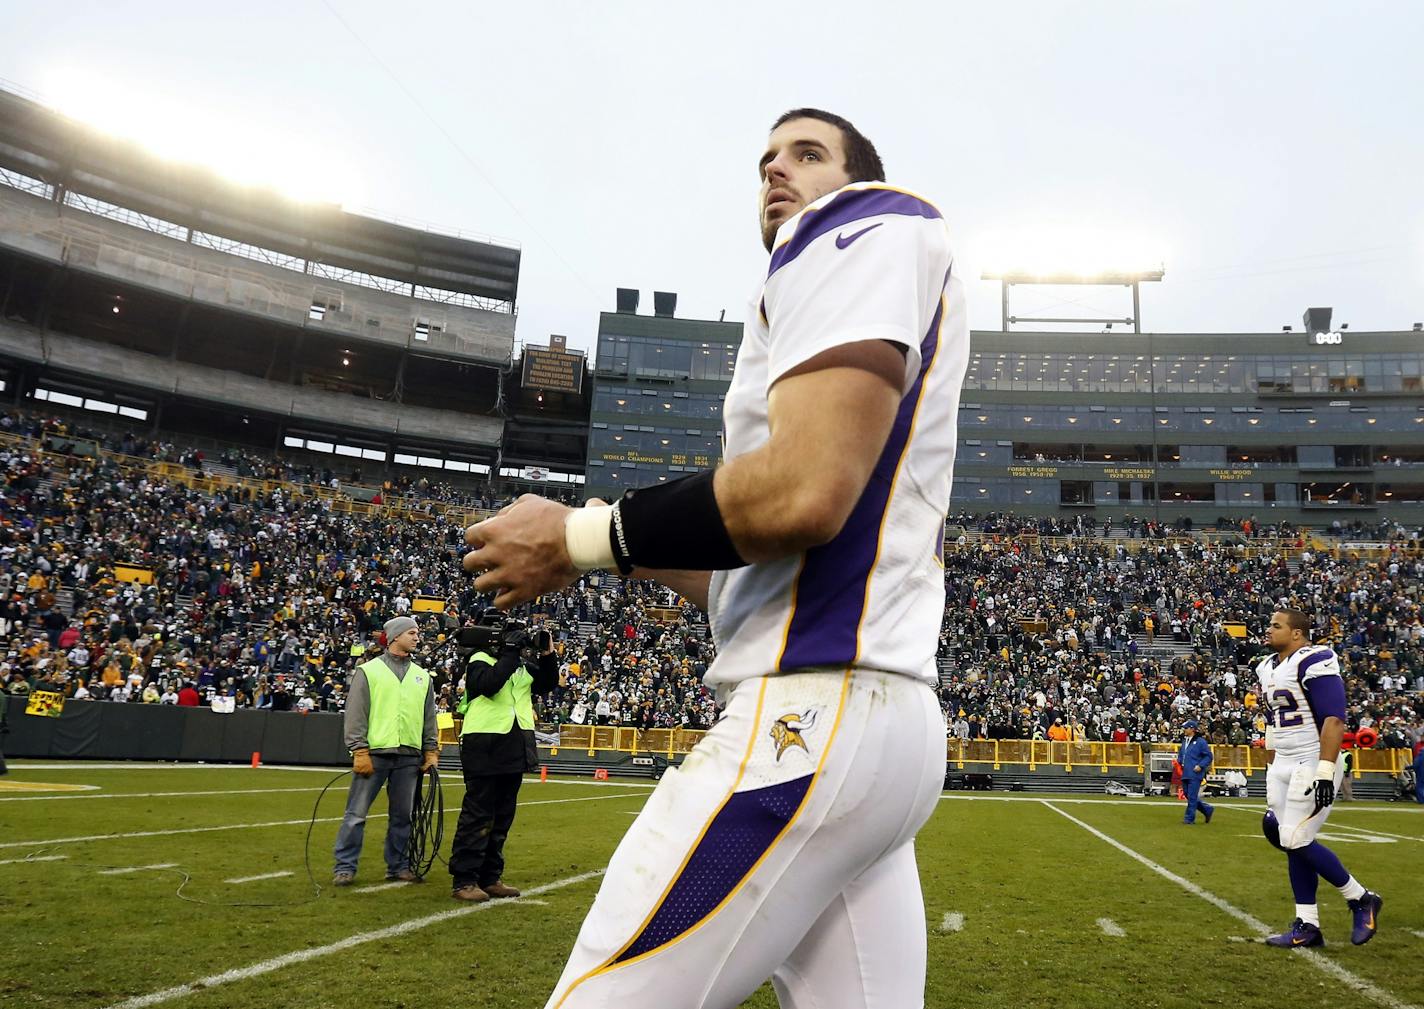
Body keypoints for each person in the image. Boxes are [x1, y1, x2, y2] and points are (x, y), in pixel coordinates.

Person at [463, 107, 966, 1008]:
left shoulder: (851, 227)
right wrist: (599, 551)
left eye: (807, 154)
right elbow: (756, 571)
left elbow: (803, 491)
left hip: (815, 715)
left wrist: (584, 534)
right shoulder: (853, 275)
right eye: (767, 159)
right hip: (881, 725)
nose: (777, 171)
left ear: (851, 179)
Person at [1256, 609, 1382, 947]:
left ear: (1297, 633)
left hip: (1311, 758)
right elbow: (1272, 721)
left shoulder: (1315, 659)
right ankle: (1308, 925)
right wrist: (1271, 762)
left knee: (1296, 838)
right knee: (1285, 836)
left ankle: (1360, 898)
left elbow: (1334, 719)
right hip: (1283, 760)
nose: (1269, 630)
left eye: (1276, 625)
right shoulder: (1266, 667)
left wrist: (1325, 770)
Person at [448, 612, 559, 902]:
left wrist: (547, 654)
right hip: (484, 743)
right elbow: (487, 685)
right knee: (478, 813)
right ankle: (465, 878)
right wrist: (510, 652)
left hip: (513, 743)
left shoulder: (519, 665)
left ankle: (490, 876)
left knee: (502, 816)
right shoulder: (479, 659)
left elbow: (546, 683)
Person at [331, 616, 439, 886]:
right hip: (375, 752)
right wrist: (359, 750)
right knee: (356, 814)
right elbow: (356, 713)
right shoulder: (369, 671)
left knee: (403, 816)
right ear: (395, 637)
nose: (417, 637)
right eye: (411, 633)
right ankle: (344, 866)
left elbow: (429, 717)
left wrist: (431, 751)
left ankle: (399, 865)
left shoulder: (422, 676)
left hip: (408, 755)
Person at [1177, 719, 1214, 824]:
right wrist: (1179, 761)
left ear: (1192, 729)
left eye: (1186, 728)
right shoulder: (1185, 741)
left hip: (1195, 772)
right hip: (1186, 772)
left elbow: (1208, 756)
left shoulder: (1201, 742)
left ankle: (1189, 818)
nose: (1184, 730)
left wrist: (1200, 765)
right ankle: (1207, 810)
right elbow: (1182, 754)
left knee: (1192, 796)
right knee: (1188, 794)